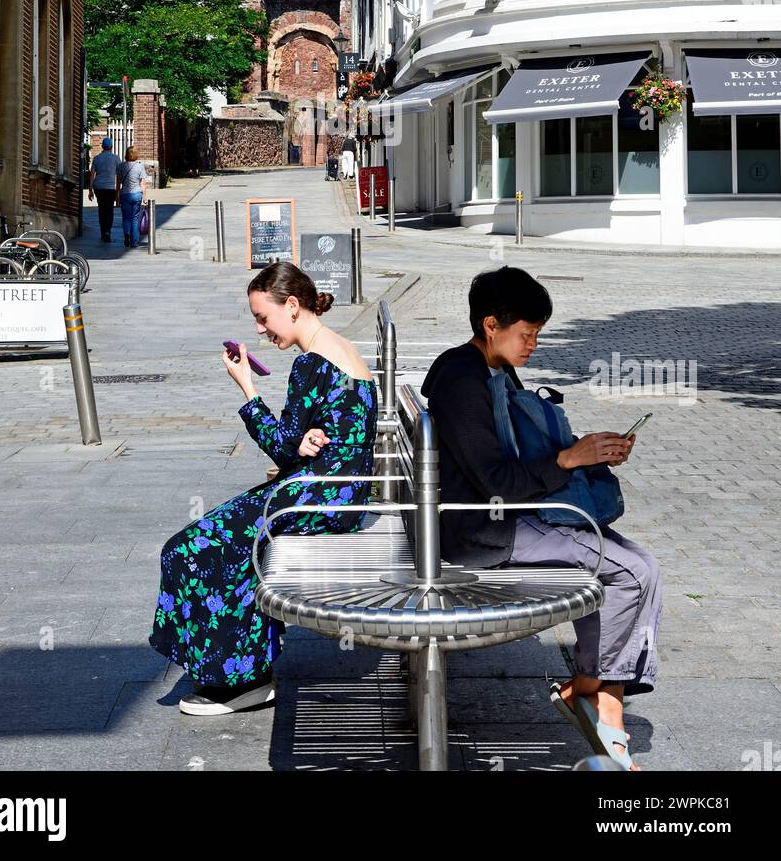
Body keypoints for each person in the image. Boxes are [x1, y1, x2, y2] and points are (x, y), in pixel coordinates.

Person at [420, 266, 662, 772]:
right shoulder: (463, 381)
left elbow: (517, 456)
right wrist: (570, 460)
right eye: (527, 334)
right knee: (636, 572)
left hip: (509, 516)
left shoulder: (490, 368)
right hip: (483, 531)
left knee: (634, 564)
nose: (532, 345)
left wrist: (587, 453)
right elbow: (495, 481)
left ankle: (592, 688)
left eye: (536, 334)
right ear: (491, 325)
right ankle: (601, 699)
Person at [149, 261, 378, 716]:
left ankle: (242, 681)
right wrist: (305, 442)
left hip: (318, 497)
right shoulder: (342, 348)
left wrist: (247, 389)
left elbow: (281, 448)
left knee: (191, 549)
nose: (260, 330)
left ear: (292, 306)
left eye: (263, 317)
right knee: (210, 540)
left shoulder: (311, 363)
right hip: (336, 493)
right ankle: (243, 667)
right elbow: (313, 437)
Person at [88, 137, 121, 243]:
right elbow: (119, 176)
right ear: (111, 147)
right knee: (109, 210)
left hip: (99, 188)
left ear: (102, 147)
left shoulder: (97, 158)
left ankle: (103, 232)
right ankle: (108, 231)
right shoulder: (116, 158)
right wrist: (118, 191)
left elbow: (92, 174)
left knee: (101, 210)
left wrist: (90, 189)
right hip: (110, 188)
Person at [116, 147, 148, 248]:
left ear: (126, 154)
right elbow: (143, 183)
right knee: (134, 218)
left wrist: (116, 195)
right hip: (137, 194)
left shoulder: (121, 166)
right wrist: (145, 197)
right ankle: (134, 241)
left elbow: (118, 183)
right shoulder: (140, 166)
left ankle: (126, 235)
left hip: (125, 194)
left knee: (126, 218)